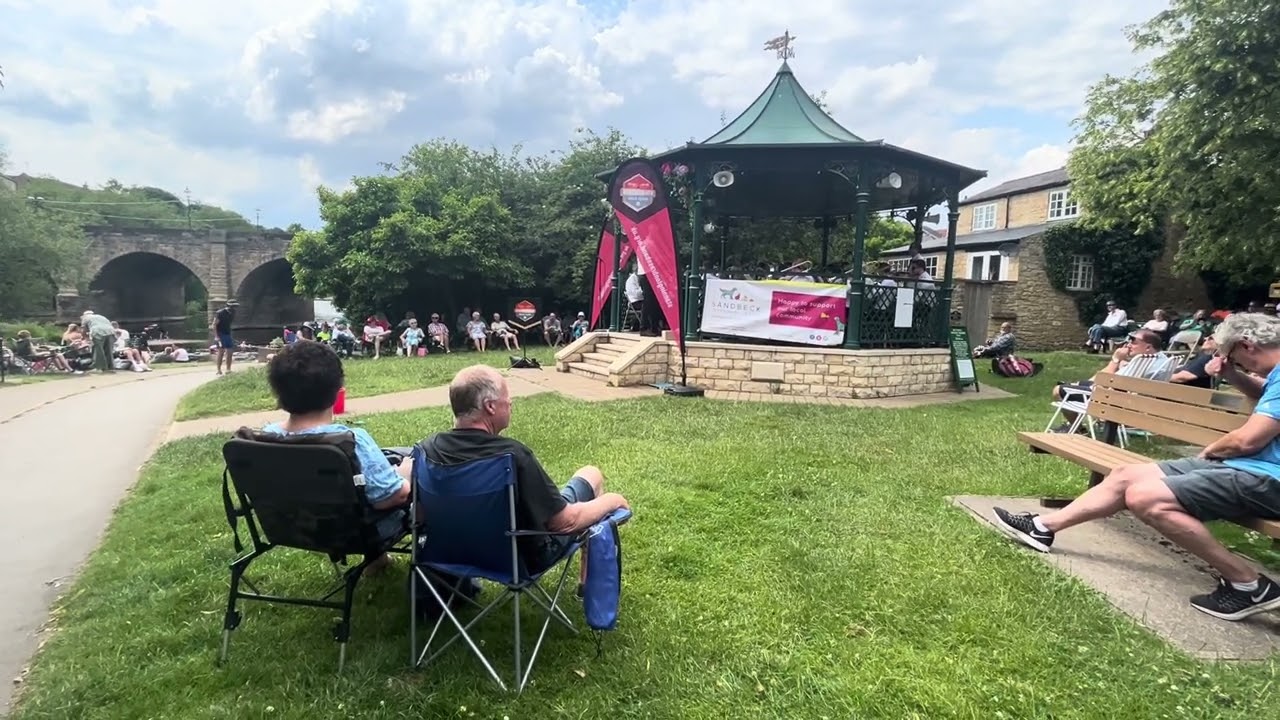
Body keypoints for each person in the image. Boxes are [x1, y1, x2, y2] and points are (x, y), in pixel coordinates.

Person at [994, 313, 1280, 621]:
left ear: (1247, 346)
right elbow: (1263, 396)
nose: (1239, 365)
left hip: (1266, 478)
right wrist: (1235, 377)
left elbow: (1247, 441)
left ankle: (1247, 583)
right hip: (1248, 467)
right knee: (1124, 474)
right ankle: (1042, 529)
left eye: (1235, 358)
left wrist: (1210, 451)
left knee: (1146, 497)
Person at [421, 365, 630, 572]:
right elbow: (564, 523)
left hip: (450, 553)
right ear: (490, 406)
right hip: (519, 558)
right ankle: (588, 585)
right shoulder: (511, 456)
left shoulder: (428, 450)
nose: (510, 402)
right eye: (507, 396)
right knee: (591, 474)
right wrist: (613, 500)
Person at [260, 341, 413, 572]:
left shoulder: (267, 437)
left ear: (278, 393)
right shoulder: (349, 441)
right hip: (356, 532)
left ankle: (377, 560)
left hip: (293, 527)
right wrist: (404, 474)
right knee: (420, 475)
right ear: (337, 389)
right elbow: (390, 498)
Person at [1050, 328, 1169, 432]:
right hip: (1127, 400)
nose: (1128, 344)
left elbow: (1104, 381)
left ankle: (1078, 429)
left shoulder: (1141, 362)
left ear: (1148, 347)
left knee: (1058, 390)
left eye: (1133, 341)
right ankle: (1074, 390)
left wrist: (1115, 359)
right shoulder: (1161, 360)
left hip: (1110, 399)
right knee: (1076, 384)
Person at [212, 300, 238, 376]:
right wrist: (216, 336)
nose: (234, 308)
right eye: (233, 306)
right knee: (221, 352)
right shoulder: (220, 313)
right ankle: (218, 370)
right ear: (229, 306)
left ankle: (228, 369)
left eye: (235, 306)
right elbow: (214, 325)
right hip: (220, 334)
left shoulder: (233, 313)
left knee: (230, 352)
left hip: (227, 334)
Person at [636, 263, 661, 336]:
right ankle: (644, 328)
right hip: (646, 272)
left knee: (654, 302)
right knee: (648, 301)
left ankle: (654, 328)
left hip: (652, 272)